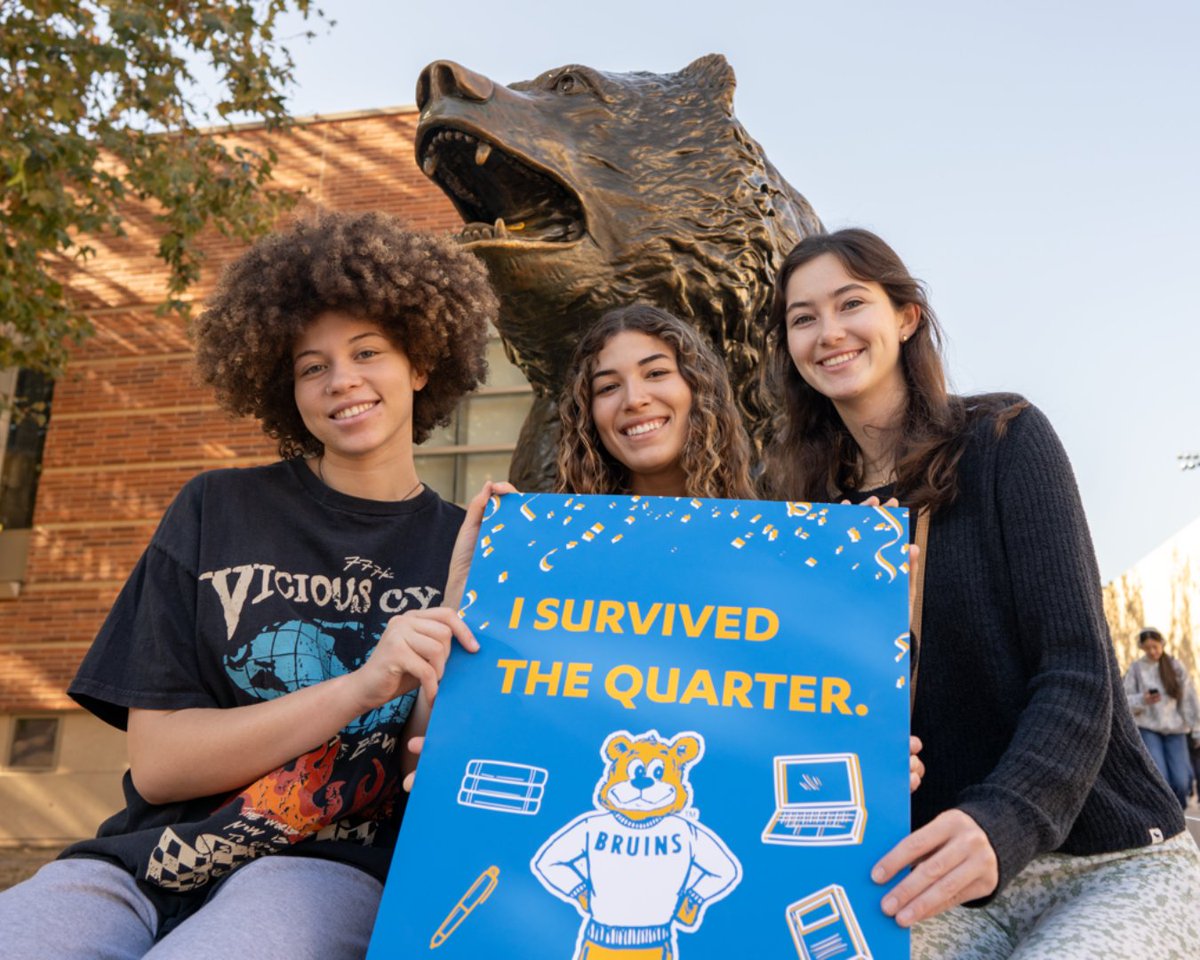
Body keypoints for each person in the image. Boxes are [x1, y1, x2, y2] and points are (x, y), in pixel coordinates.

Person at [0, 210, 503, 959]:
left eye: (368, 351)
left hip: (324, 870)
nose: (342, 380)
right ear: (285, 388)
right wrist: (360, 687)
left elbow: (422, 779)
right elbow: (160, 767)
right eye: (312, 366)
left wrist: (463, 608)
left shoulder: (468, 550)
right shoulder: (216, 508)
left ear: (422, 364)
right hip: (143, 864)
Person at [765, 227, 1200, 959]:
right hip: (937, 885)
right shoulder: (804, 517)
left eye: (850, 304)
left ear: (906, 317)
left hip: (1104, 861)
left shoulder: (1005, 437)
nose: (828, 332)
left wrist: (1005, 818)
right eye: (802, 318)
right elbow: (802, 700)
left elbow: (1076, 669)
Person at [556, 303, 755, 500]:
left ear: (700, 387)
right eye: (609, 387)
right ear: (587, 414)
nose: (634, 400)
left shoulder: (764, 517)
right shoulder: (561, 521)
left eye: (656, 373)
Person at [1124, 626, 1199, 808]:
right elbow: (1124, 699)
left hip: (1176, 731)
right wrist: (1143, 699)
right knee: (1160, 777)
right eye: (1147, 648)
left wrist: (1197, 729)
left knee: (1181, 781)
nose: (1152, 651)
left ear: (1162, 644)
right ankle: (1166, 815)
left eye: (1155, 646)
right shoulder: (1136, 669)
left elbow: (1189, 699)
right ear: (1142, 648)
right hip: (1149, 730)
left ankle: (1178, 812)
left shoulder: (1175, 666)